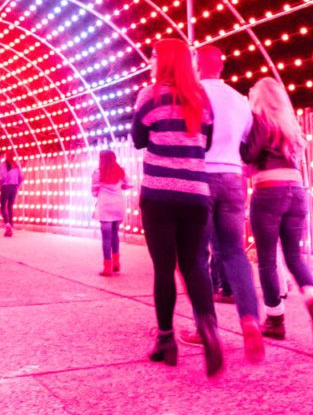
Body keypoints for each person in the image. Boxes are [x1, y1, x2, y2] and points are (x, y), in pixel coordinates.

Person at [132, 38, 222, 378]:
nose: (151, 61)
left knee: (164, 268)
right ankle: (209, 328)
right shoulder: (202, 100)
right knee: (195, 265)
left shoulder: (149, 96)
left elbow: (138, 139)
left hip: (159, 195)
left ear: (164, 61)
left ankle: (166, 341)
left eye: (153, 56)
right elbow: (208, 142)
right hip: (196, 194)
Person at [179, 45, 264, 362]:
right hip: (232, 180)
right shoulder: (240, 99)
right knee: (233, 252)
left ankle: (206, 327)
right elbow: (245, 142)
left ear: (196, 66)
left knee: (195, 257)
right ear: (223, 66)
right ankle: (250, 320)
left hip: (199, 177)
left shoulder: (191, 94)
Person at [243, 77, 313, 350]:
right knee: (293, 255)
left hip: (269, 189)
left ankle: (275, 320)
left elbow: (248, 155)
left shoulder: (259, 121)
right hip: (296, 190)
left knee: (268, 259)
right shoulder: (292, 128)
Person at [91, 149, 131, 277]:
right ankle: (116, 264)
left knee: (106, 238)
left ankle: (107, 268)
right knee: (115, 235)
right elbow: (130, 184)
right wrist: (121, 187)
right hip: (118, 205)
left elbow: (93, 190)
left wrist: (99, 192)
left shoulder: (98, 172)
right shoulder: (120, 171)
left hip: (105, 206)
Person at [0, 153, 22, 236]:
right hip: (14, 187)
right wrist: (16, 186)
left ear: (6, 157)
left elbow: (4, 176)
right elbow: (21, 178)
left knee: (3, 207)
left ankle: (7, 225)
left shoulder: (4, 165)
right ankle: (11, 226)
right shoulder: (16, 166)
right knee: (10, 207)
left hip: (6, 187)